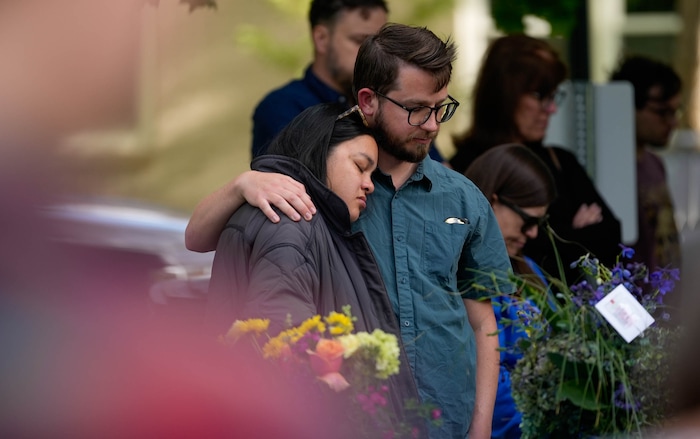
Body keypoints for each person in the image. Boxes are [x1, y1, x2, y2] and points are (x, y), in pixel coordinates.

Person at [188, 23, 513, 439]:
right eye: (416, 109)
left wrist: (480, 429)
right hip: (360, 421)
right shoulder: (329, 190)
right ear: (368, 101)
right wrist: (242, 184)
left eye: (441, 107)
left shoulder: (464, 198)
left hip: (447, 421)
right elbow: (197, 239)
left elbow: (481, 320)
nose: (432, 125)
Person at [206, 102, 422, 434]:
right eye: (360, 167)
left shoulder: (304, 220)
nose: (369, 185)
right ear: (319, 152)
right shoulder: (291, 223)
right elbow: (288, 356)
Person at [450, 34, 622, 284]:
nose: (551, 108)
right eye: (540, 95)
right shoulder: (464, 167)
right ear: (504, 94)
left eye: (554, 96)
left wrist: (558, 243)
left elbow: (611, 242)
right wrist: (573, 237)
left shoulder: (561, 160)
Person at [250, 0, 446, 162]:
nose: (376, 54)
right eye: (361, 41)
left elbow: (442, 177)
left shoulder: (397, 105)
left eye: (379, 42)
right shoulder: (282, 108)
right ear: (321, 38)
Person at [465, 144, 557, 439]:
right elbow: (477, 380)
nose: (533, 234)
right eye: (528, 221)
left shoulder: (526, 267)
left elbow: (562, 342)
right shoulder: (456, 272)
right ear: (492, 201)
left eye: (540, 224)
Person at [610, 56, 682, 273]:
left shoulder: (654, 163)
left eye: (676, 111)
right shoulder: (610, 168)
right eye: (662, 112)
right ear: (628, 105)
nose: (673, 122)